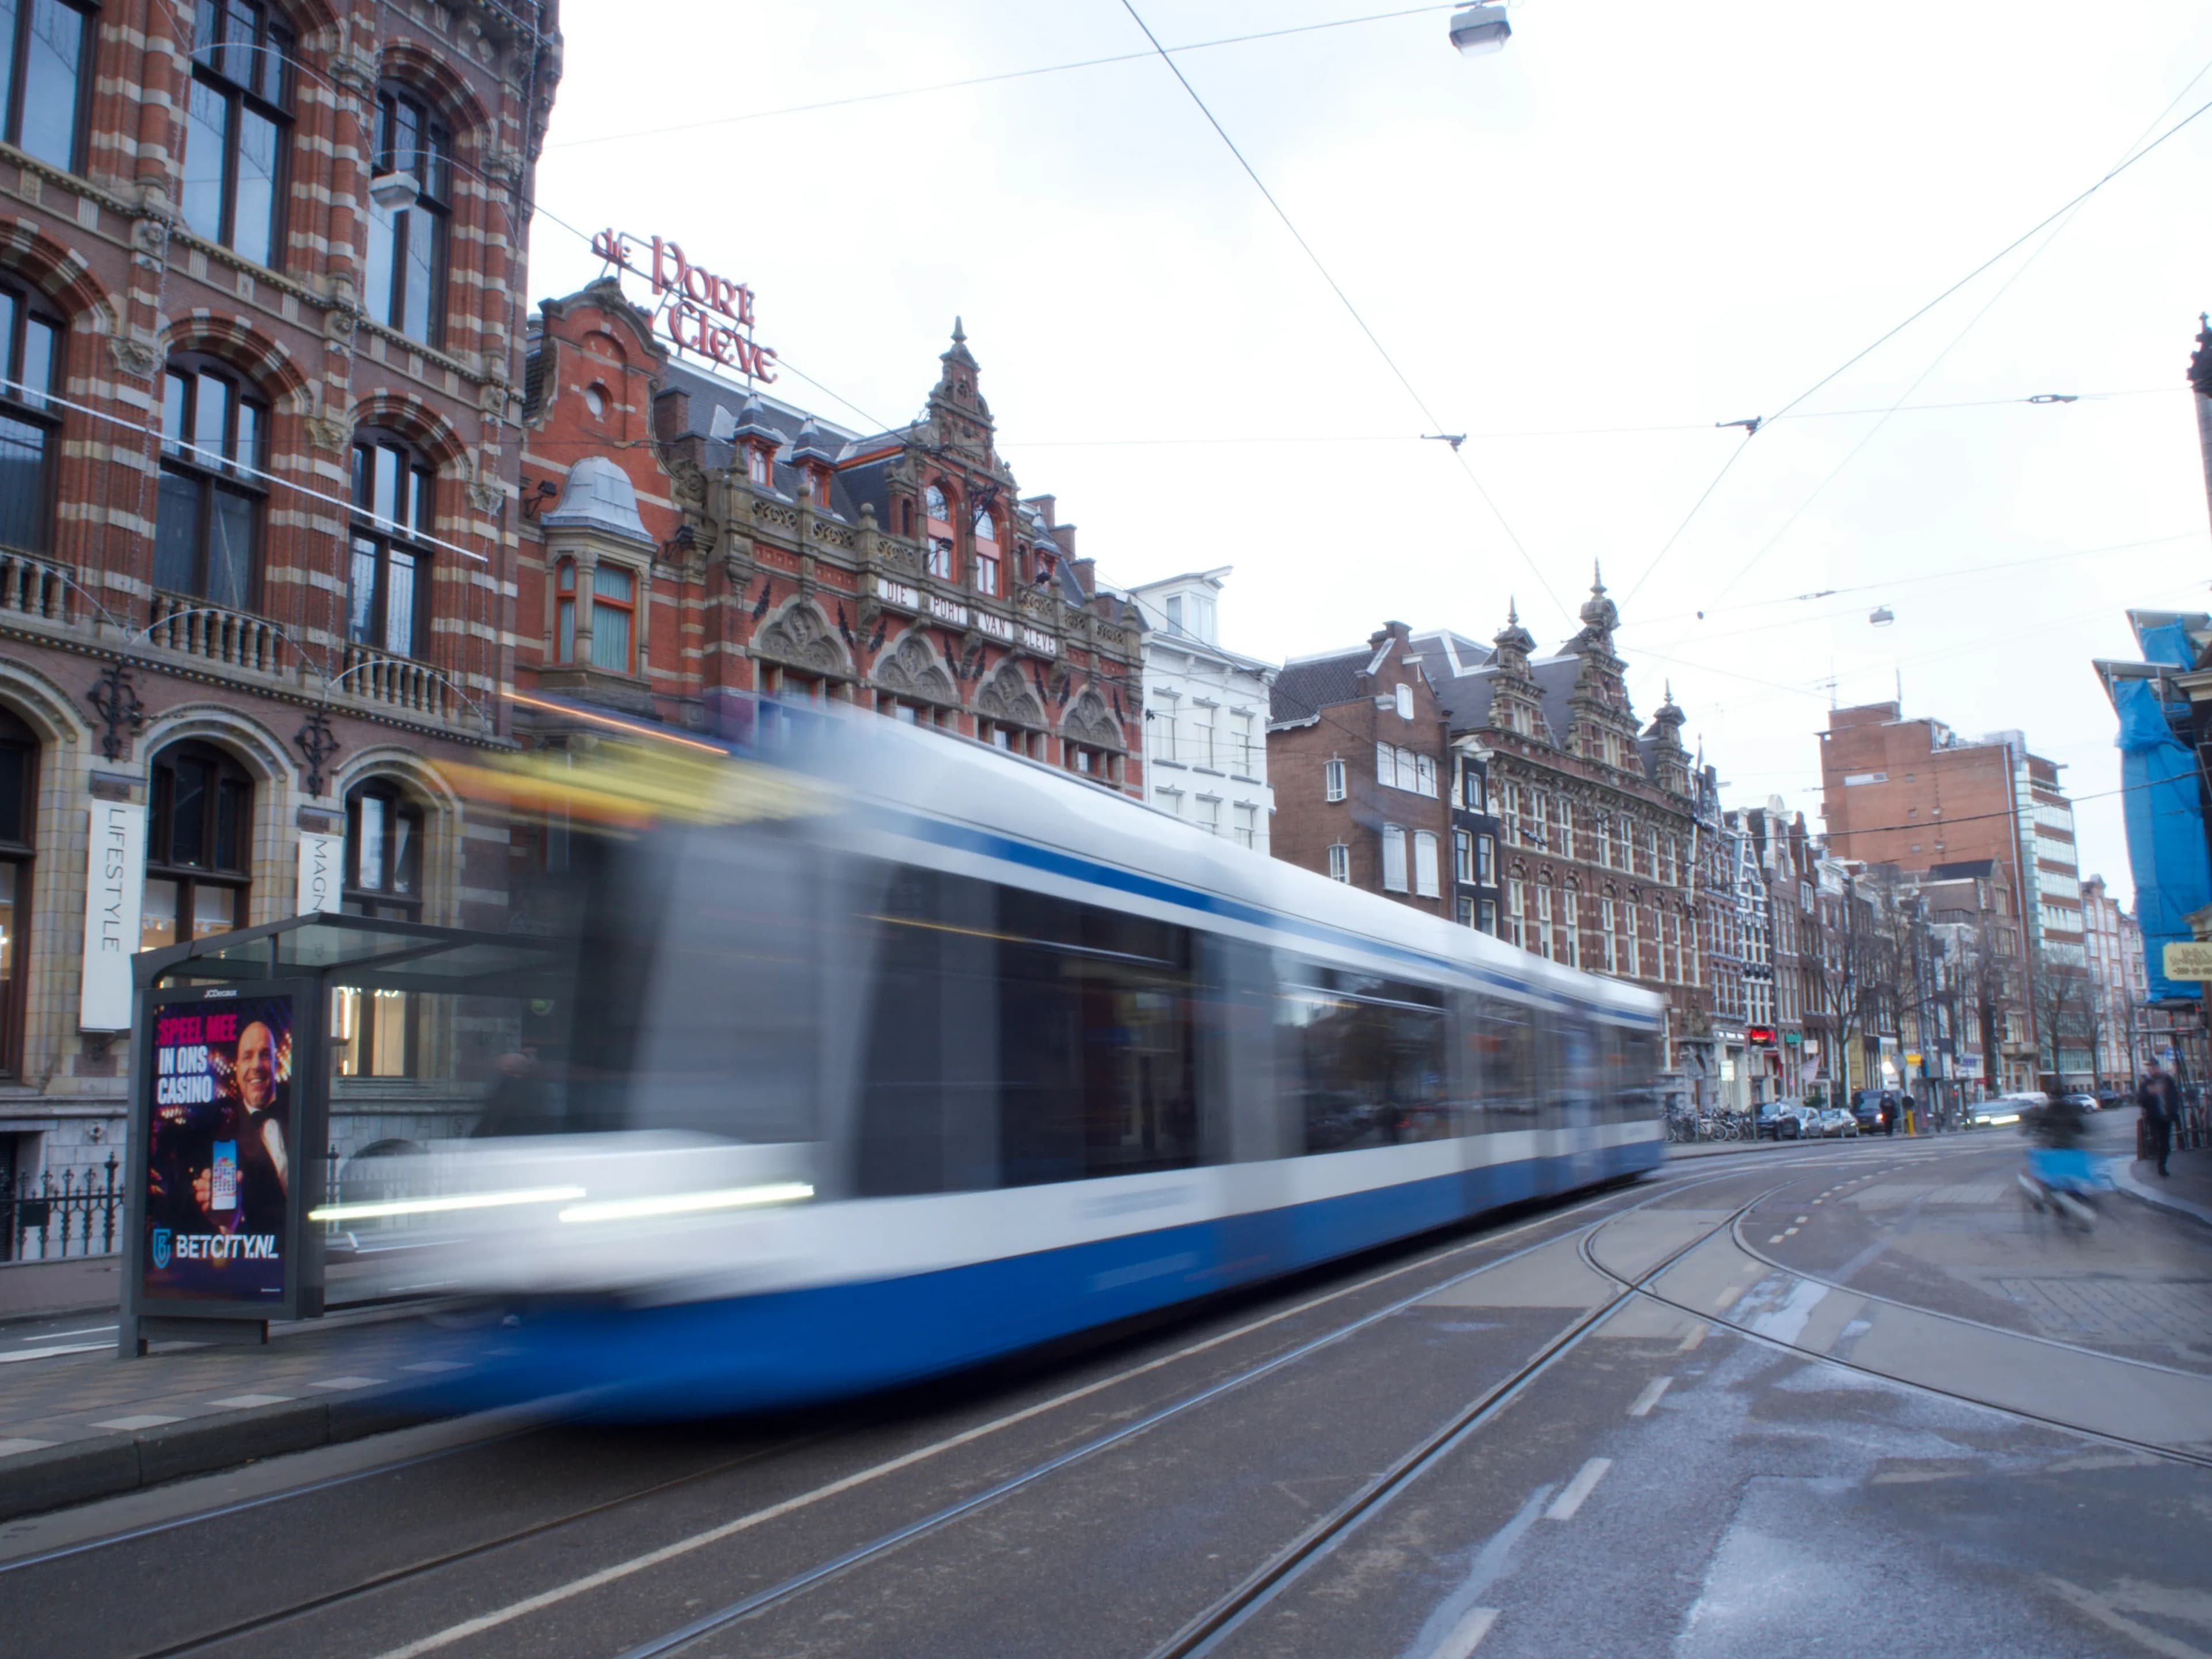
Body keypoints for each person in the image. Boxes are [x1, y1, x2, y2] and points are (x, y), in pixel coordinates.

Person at [2138, 1063, 2180, 1179]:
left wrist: (2173, 1110)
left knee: (2165, 1143)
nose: (2154, 1071)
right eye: (2151, 1070)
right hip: (2154, 1118)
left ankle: (2162, 1164)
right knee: (2158, 1140)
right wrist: (2150, 1094)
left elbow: (2174, 1095)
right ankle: (2160, 1165)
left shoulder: (2168, 1080)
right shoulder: (2146, 1084)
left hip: (2166, 1116)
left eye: (2155, 1068)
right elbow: (2141, 1100)